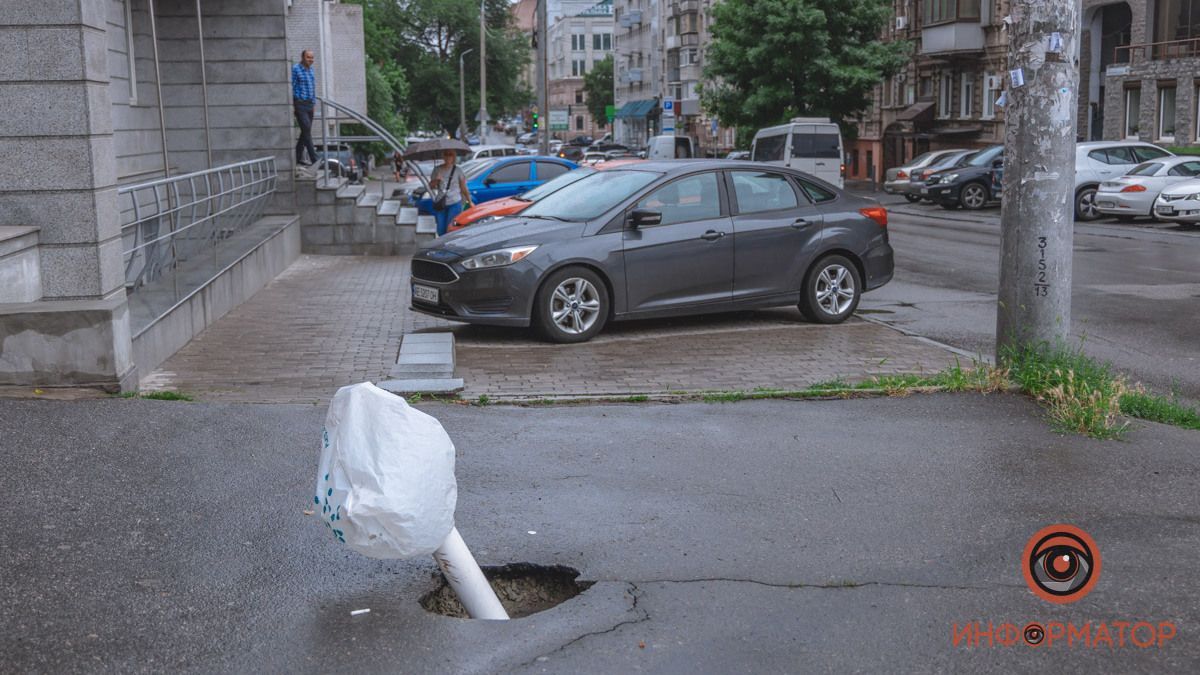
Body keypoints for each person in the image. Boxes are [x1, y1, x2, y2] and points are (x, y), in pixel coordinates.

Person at [428, 150, 471, 237]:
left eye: (450, 155)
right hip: (441, 203)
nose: (448, 157)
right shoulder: (437, 169)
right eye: (446, 154)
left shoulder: (458, 170)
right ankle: (442, 247)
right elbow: (431, 186)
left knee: (451, 228)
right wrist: (437, 180)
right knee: (440, 229)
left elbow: (463, 187)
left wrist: (469, 201)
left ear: (454, 157)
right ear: (443, 156)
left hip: (455, 203)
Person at [291, 50, 318, 166]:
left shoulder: (311, 70)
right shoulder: (295, 69)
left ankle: (297, 157)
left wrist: (313, 103)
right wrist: (292, 104)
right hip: (300, 104)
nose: (310, 60)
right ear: (302, 57)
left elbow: (313, 87)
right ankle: (315, 160)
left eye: (312, 57)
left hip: (309, 105)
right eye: (308, 57)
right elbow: (291, 86)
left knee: (305, 132)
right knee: (306, 130)